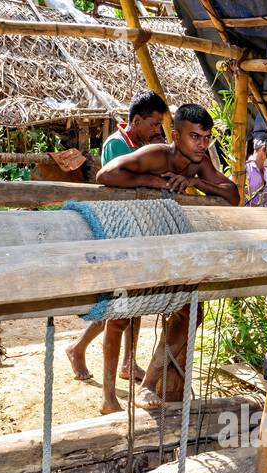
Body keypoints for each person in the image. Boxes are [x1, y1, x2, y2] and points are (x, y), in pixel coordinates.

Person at [95, 103, 239, 409]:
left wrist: (197, 183)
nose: (202, 144)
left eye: (205, 137)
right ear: (175, 135)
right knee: (120, 317)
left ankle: (148, 384)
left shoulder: (198, 164)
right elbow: (105, 174)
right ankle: (108, 397)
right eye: (194, 137)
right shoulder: (157, 155)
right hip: (135, 241)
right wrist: (152, 181)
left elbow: (233, 194)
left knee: (192, 314)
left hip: (168, 247)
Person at [64, 90, 170, 399]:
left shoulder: (142, 145)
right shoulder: (117, 144)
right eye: (153, 123)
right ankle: (79, 347)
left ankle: (128, 362)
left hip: (138, 232)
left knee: (134, 305)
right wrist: (152, 177)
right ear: (137, 121)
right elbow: (119, 180)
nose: (157, 130)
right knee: (117, 307)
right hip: (119, 231)